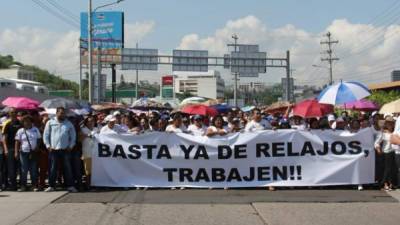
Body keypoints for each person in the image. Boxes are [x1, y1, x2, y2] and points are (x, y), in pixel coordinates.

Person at [43, 107, 77, 193]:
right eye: (61, 113)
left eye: (64, 113)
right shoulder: (50, 122)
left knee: (68, 168)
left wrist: (71, 146)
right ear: (56, 113)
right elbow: (45, 135)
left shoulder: (68, 123)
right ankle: (51, 186)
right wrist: (48, 146)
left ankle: (70, 186)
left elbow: (73, 137)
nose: (63, 115)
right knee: (53, 168)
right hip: (53, 150)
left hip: (65, 150)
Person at [14, 115, 41, 192]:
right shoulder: (20, 131)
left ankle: (34, 185)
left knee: (33, 170)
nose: (27, 122)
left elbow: (39, 139)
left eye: (29, 121)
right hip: (23, 153)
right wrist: (16, 152)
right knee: (24, 170)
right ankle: (23, 186)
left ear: (31, 122)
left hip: (33, 153)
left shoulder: (35, 129)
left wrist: (37, 147)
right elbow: (17, 142)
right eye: (25, 121)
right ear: (23, 122)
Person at [2, 108, 21, 190]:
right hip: (10, 149)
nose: (14, 113)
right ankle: (13, 185)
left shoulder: (20, 123)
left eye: (15, 112)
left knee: (20, 168)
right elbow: (4, 139)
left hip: (21, 149)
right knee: (11, 168)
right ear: (9, 114)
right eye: (12, 112)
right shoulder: (7, 124)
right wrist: (5, 149)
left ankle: (21, 184)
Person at [375, 119, 396, 191]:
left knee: (392, 169)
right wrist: (378, 149)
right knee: (386, 169)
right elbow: (377, 142)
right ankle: (384, 184)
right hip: (386, 152)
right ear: (386, 125)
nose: (391, 125)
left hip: (395, 152)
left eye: (392, 123)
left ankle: (391, 183)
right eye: (389, 124)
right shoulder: (383, 133)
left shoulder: (396, 132)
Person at [80, 115, 99, 190]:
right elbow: (79, 138)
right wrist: (87, 135)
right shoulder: (83, 129)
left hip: (96, 153)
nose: (91, 122)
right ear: (86, 122)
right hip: (87, 152)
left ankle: (94, 184)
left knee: (95, 170)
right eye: (89, 121)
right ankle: (88, 185)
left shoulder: (96, 129)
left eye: (93, 121)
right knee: (88, 170)